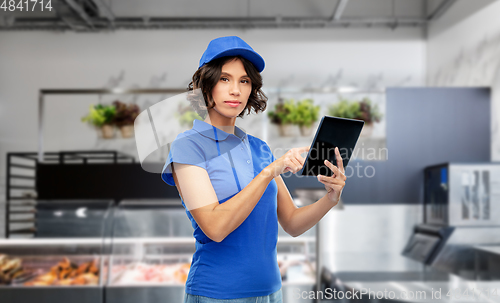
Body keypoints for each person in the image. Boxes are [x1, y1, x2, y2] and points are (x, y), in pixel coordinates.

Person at [161, 36, 346, 303]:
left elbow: (292, 223)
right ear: (205, 86)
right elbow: (215, 227)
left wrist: (330, 198)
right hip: (218, 294)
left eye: (244, 81)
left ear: (251, 90)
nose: (235, 90)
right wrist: (269, 172)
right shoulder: (188, 147)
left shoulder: (260, 149)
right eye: (224, 79)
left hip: (271, 292)